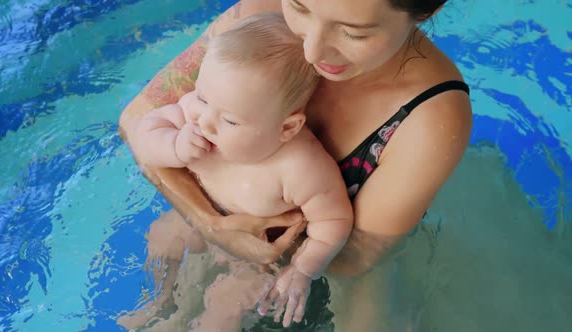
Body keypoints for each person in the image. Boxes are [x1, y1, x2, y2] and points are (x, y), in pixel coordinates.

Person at [118, 0, 472, 330]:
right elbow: (136, 122)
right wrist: (211, 224)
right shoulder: (260, 17)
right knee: (166, 253)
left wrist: (262, 255)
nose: (312, 51)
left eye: (354, 32)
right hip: (226, 219)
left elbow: (353, 262)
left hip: (312, 267)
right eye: (300, 7)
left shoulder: (431, 118)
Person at [121, 12, 353, 330]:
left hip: (257, 259)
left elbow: (334, 221)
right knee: (163, 238)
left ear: (287, 128)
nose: (205, 121)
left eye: (230, 120)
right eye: (202, 96)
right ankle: (160, 304)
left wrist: (303, 269)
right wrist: (173, 144)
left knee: (226, 306)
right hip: (202, 216)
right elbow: (143, 134)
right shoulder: (197, 114)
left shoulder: (300, 167)